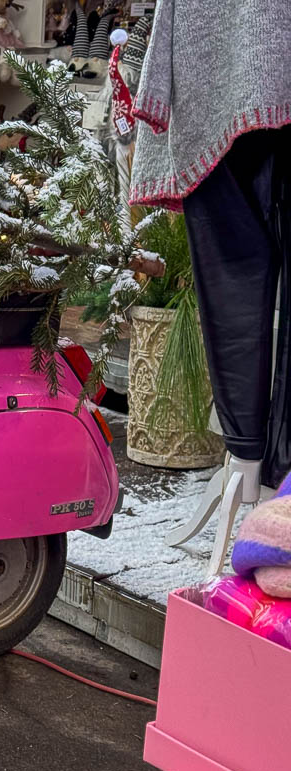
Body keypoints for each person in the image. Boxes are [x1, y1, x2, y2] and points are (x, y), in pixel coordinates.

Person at [129, 2, 291, 492]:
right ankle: (258, 461)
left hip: (215, 103)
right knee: (231, 281)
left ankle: (259, 463)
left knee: (232, 280)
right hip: (220, 109)